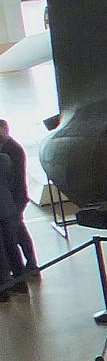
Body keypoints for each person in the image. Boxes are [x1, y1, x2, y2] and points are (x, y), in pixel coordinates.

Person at [0, 118, 32, 302]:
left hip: (10, 205)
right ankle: (19, 280)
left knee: (9, 244)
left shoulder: (12, 151)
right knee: (12, 244)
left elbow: (16, 180)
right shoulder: (5, 158)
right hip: (8, 206)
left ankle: (6, 285)